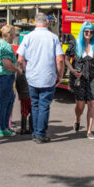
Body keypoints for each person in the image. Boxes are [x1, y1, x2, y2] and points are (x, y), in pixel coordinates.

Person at [17, 13, 65, 144]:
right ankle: (40, 134)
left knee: (35, 104)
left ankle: (35, 132)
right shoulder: (53, 37)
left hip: (32, 77)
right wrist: (60, 75)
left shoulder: (28, 37)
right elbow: (60, 59)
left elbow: (20, 59)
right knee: (44, 105)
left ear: (35, 23)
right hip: (48, 77)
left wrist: (26, 70)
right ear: (47, 23)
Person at [0, 25, 23, 137]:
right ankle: (2, 128)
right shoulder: (5, 46)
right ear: (9, 35)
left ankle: (5, 126)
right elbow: (7, 64)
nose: (14, 36)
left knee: (7, 100)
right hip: (4, 76)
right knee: (5, 102)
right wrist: (17, 69)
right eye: (14, 34)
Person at [15, 68, 32, 135]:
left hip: (23, 94)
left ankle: (23, 129)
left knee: (24, 112)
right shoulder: (32, 69)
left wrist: (19, 94)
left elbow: (17, 84)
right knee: (32, 111)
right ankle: (31, 128)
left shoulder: (19, 72)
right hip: (31, 94)